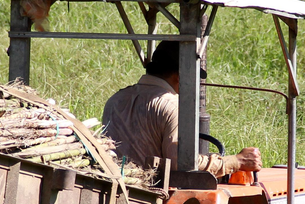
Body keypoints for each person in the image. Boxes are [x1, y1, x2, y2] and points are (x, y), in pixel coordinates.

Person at [102, 41, 262, 179]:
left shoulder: (115, 100)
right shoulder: (173, 106)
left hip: (115, 185)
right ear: (181, 75)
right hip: (153, 195)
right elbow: (182, 163)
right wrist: (236, 161)